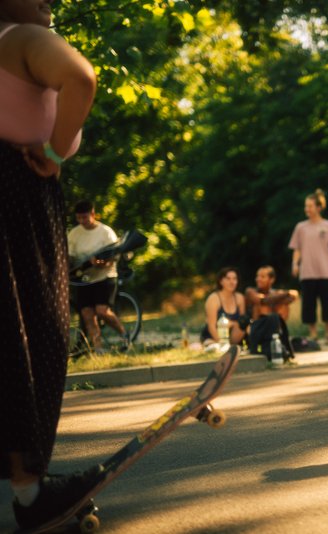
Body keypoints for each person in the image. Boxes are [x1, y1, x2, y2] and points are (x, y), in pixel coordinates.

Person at [0, 1, 105, 530]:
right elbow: (80, 76)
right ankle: (31, 493)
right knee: (31, 338)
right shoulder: (17, 37)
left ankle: (28, 489)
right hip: (17, 196)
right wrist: (57, 153)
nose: (49, 2)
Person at [67, 200, 128, 351]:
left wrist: (104, 264)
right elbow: (70, 257)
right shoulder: (74, 234)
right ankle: (98, 349)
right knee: (87, 314)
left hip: (105, 276)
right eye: (79, 218)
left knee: (102, 311)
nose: (82, 221)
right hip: (85, 278)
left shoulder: (105, 232)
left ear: (93, 214)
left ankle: (124, 335)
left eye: (85, 217)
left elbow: (115, 255)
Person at [288, 189, 328, 344]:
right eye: (306, 206)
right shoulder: (301, 227)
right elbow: (297, 249)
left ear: (319, 207)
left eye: (310, 206)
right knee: (308, 304)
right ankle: (313, 334)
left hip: (326, 271)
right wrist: (295, 264)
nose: (307, 209)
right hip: (307, 272)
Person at [244, 266, 298, 360]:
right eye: (257, 276)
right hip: (257, 330)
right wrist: (283, 295)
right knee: (267, 312)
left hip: (275, 330)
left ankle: (277, 342)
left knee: (281, 309)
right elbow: (263, 300)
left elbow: (294, 295)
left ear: (271, 279)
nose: (258, 279)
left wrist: (277, 298)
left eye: (262, 277)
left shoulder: (276, 293)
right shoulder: (250, 291)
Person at [201, 267, 246, 349]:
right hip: (214, 336)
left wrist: (232, 323)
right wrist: (222, 344)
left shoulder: (240, 298)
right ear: (221, 281)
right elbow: (211, 326)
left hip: (233, 337)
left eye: (234, 279)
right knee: (213, 346)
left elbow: (242, 323)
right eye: (228, 279)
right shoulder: (214, 298)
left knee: (245, 323)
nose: (232, 282)